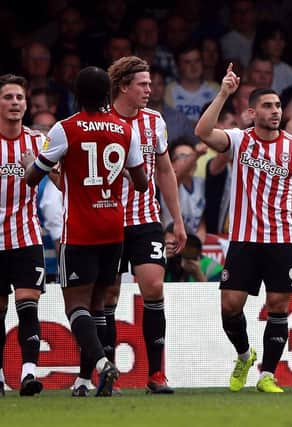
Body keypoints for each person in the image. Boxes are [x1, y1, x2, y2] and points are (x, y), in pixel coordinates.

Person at [195, 64, 292, 393]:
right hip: (243, 239)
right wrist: (224, 93)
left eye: (278, 106)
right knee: (230, 305)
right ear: (252, 112)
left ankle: (268, 374)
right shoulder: (238, 140)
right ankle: (244, 354)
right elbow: (203, 132)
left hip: (282, 239)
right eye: (267, 106)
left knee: (279, 305)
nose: (275, 111)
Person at [24, 66, 148, 397]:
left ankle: (103, 365)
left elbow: (33, 176)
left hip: (80, 231)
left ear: (76, 95)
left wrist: (39, 166)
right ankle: (84, 380)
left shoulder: (65, 129)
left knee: (75, 306)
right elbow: (142, 183)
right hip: (114, 229)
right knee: (100, 306)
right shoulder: (125, 129)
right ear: (108, 94)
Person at [102, 56, 187, 395]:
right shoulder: (99, 121)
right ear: (124, 86)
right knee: (108, 295)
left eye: (150, 84)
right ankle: (107, 375)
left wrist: (177, 220)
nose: (150, 90)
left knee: (153, 287)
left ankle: (156, 374)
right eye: (143, 84)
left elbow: (165, 171)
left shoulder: (154, 121)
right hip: (106, 220)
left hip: (146, 219)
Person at [0, 74, 47, 396]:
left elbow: (61, 183)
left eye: (19, 97)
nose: (15, 103)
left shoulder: (37, 141)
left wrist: (40, 168)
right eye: (8, 97)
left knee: (28, 306)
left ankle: (28, 374)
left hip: (27, 237)